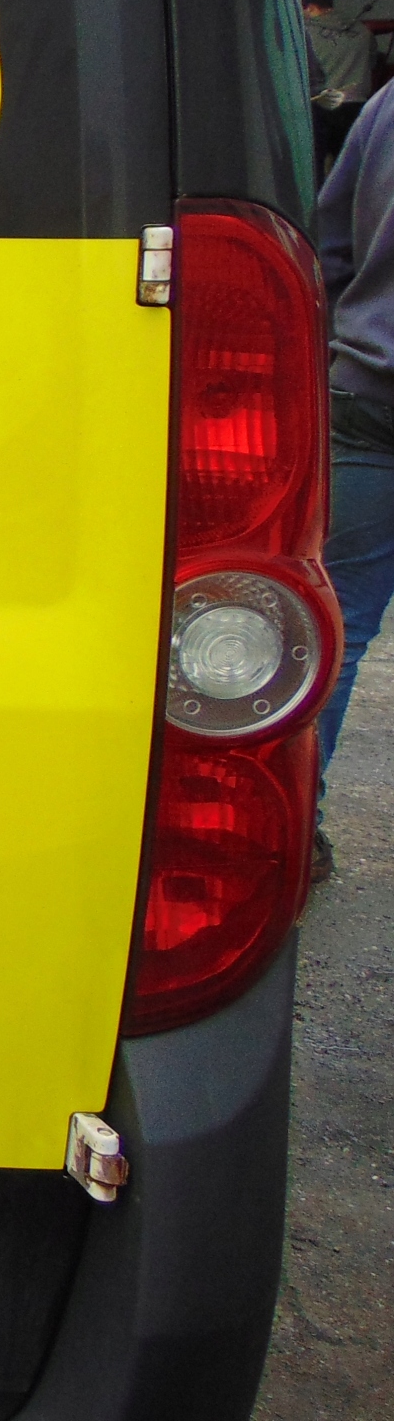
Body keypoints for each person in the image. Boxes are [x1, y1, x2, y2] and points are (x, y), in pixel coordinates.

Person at [310, 77, 394, 881]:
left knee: (338, 626)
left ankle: (296, 828)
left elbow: (328, 247)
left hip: (371, 389)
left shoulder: (387, 104)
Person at [306, 0, 376, 176]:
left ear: (310, 7)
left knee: (316, 169)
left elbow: (307, 72)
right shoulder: (363, 31)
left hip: (322, 107)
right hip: (357, 107)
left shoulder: (307, 32)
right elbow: (372, 62)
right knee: (352, 171)